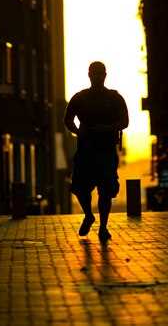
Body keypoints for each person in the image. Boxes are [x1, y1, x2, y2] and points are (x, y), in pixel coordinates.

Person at [64, 61, 129, 242]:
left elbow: (125, 121)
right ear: (89, 75)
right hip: (86, 150)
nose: (97, 77)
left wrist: (108, 128)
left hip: (106, 150)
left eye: (100, 73)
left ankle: (103, 227)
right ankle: (88, 215)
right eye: (94, 73)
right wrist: (79, 131)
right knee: (79, 187)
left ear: (105, 75)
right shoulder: (80, 98)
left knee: (106, 190)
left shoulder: (114, 98)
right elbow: (68, 119)